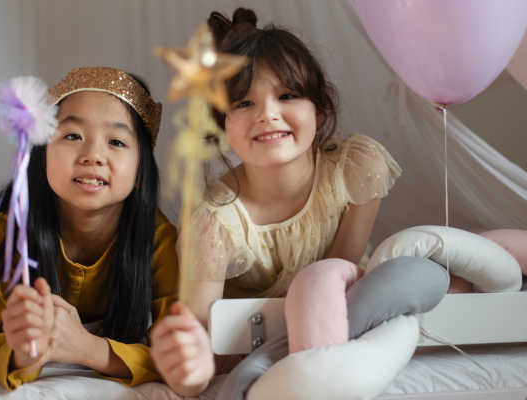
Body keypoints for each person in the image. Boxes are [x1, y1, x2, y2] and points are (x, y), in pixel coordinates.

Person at [149, 8, 403, 395]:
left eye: (286, 95)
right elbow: (199, 338)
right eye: (244, 104)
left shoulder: (356, 167)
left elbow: (338, 272)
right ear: (222, 125)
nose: (268, 114)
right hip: (250, 341)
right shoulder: (214, 222)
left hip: (337, 310)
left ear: (318, 112)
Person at [0, 67, 185, 393]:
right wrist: (26, 349)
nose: (93, 156)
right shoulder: (9, 233)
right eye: (72, 136)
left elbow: (178, 357)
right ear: (42, 153)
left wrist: (88, 348)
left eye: (116, 141)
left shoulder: (158, 239)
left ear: (141, 170)